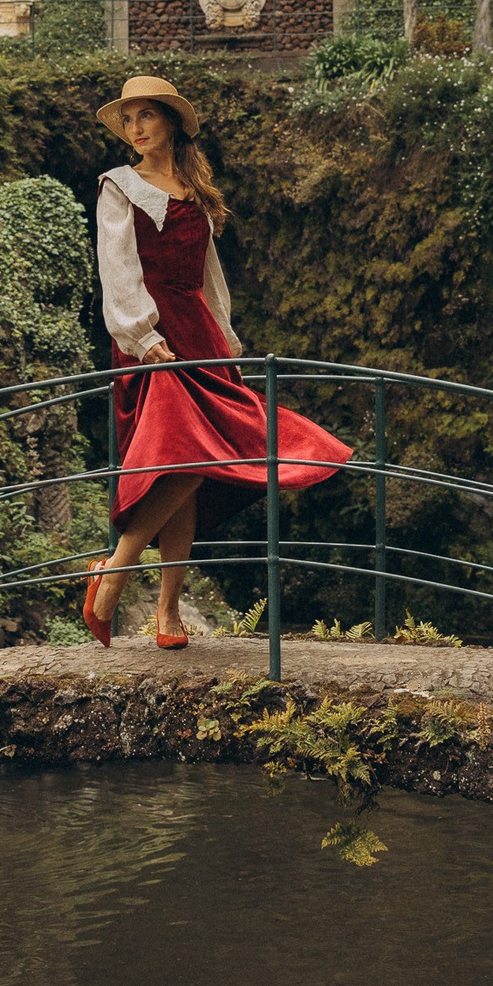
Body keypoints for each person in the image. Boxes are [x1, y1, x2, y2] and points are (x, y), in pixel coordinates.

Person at [81, 74, 350, 648]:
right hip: (153, 334)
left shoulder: (194, 188)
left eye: (146, 116)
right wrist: (141, 336)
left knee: (196, 464)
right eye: (128, 119)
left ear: (172, 122)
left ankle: (167, 611)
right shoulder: (119, 186)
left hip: (197, 331)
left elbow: (208, 275)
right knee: (183, 454)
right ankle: (114, 574)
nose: (135, 128)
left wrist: (224, 338)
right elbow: (117, 267)